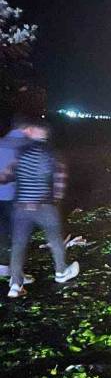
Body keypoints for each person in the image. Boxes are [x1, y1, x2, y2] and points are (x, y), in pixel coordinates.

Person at [5, 122, 78, 298]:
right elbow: (59, 180)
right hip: (44, 205)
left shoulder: (20, 154)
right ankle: (61, 272)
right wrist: (55, 200)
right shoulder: (51, 153)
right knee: (55, 238)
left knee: (18, 245)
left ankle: (15, 284)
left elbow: (6, 175)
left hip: (21, 208)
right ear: (45, 135)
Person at [0, 118, 34, 284]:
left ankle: (2, 267)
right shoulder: (23, 145)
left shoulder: (2, 142)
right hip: (15, 197)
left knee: (2, 233)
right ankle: (16, 276)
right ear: (26, 129)